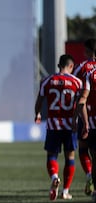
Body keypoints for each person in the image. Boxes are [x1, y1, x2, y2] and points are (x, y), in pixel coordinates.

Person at [34, 54, 82, 200]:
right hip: (70, 125)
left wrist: (37, 114)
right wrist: (78, 120)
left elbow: (39, 100)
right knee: (70, 157)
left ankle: (54, 177)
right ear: (71, 66)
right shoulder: (77, 82)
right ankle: (65, 191)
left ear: (58, 65)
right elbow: (81, 104)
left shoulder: (47, 81)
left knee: (51, 155)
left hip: (53, 125)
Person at [72, 38, 96, 195]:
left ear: (87, 50)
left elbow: (76, 92)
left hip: (87, 116)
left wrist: (75, 116)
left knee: (83, 149)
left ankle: (89, 175)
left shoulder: (83, 69)